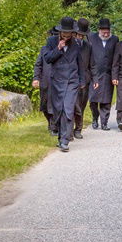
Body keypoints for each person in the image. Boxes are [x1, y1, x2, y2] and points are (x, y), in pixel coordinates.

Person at [40, 16, 86, 152]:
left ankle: (65, 140)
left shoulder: (76, 44)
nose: (66, 36)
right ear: (60, 32)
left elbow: (80, 64)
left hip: (72, 81)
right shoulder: (51, 41)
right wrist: (58, 49)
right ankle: (61, 137)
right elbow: (47, 59)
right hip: (57, 81)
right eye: (64, 34)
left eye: (69, 33)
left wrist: (82, 80)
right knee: (58, 109)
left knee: (68, 109)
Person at [88, 17, 117, 130]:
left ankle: (104, 122)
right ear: (99, 30)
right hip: (94, 74)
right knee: (93, 100)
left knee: (106, 100)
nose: (106, 34)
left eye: (108, 31)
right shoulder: (91, 38)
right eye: (104, 31)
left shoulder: (115, 39)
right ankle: (95, 118)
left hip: (108, 75)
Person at [72, 18, 94, 140]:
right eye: (78, 34)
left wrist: (93, 79)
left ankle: (78, 129)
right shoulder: (70, 45)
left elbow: (92, 63)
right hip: (72, 79)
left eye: (82, 35)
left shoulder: (88, 46)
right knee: (72, 105)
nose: (80, 37)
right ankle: (69, 129)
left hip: (85, 79)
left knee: (82, 105)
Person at [32, 26, 56, 135]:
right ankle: (50, 122)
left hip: (57, 82)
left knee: (56, 104)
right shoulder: (44, 49)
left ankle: (54, 126)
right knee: (45, 105)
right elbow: (38, 65)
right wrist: (36, 78)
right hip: (45, 82)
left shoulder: (63, 49)